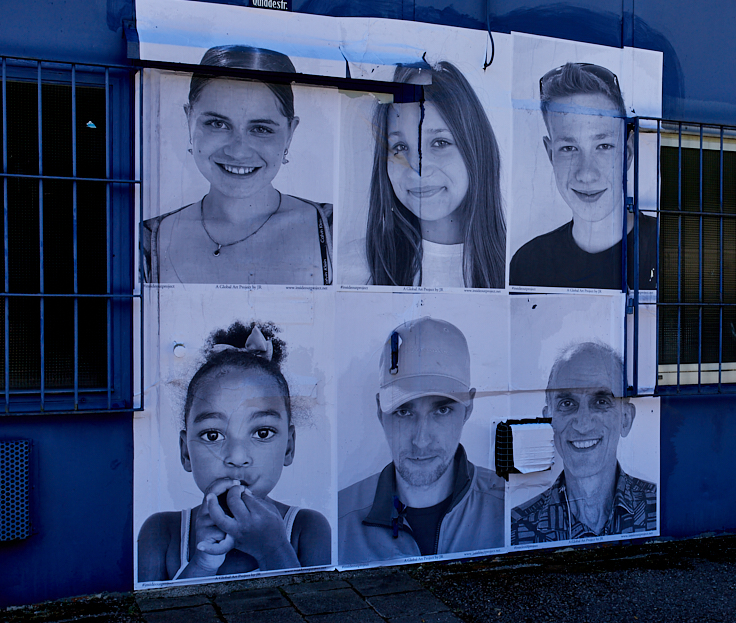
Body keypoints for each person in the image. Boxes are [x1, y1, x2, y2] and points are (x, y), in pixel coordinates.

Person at [137, 322, 331, 581]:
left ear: (289, 446)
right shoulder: (162, 533)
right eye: (213, 435)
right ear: (185, 453)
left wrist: (273, 549)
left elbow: (317, 616)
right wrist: (204, 562)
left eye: (262, 433)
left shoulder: (306, 529)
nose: (237, 457)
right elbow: (156, 620)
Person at [142, 45, 333, 285]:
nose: (238, 150)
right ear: (188, 120)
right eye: (217, 124)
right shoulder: (146, 241)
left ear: (290, 134)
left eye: (261, 129)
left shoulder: (335, 229)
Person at [339, 317, 504, 563]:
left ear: (468, 408)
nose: (421, 441)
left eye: (442, 411)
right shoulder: (339, 517)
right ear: (380, 412)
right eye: (403, 412)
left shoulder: (507, 507)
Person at [354, 61, 505, 288]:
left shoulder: (520, 265)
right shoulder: (350, 266)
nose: (417, 168)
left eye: (439, 142)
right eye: (400, 147)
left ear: (476, 150)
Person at [509, 62, 657, 291]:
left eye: (604, 146)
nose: (586, 173)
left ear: (626, 154)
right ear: (551, 155)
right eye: (569, 148)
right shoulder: (528, 264)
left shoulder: (669, 246)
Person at [512, 341, 656, 544]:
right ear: (548, 418)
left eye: (601, 402)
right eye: (567, 404)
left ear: (625, 419)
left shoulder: (659, 508)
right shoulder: (519, 526)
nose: (583, 425)